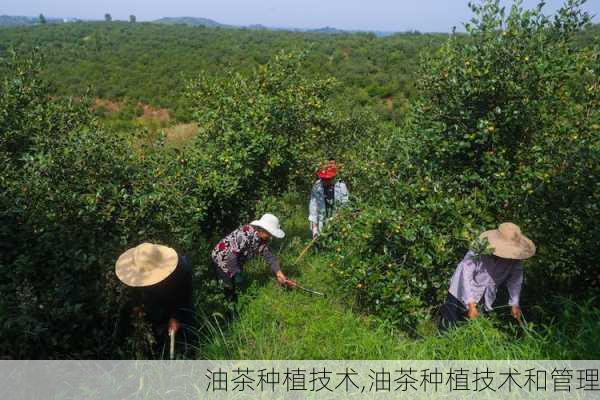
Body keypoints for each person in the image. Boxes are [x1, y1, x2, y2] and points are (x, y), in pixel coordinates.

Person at [439, 222, 536, 331]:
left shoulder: (515, 260)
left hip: (484, 297)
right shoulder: (479, 250)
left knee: (471, 331)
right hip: (460, 292)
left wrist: (514, 303)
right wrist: (470, 304)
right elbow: (464, 275)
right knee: (448, 327)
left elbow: (515, 281)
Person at [115, 242, 193, 356]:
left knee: (185, 332)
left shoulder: (182, 269)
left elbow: (185, 296)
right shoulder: (137, 269)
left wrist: (176, 317)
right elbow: (136, 290)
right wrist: (137, 306)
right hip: (153, 299)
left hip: (177, 295)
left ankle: (186, 352)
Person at [212, 213, 295, 301]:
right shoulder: (245, 234)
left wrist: (279, 273)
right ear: (263, 229)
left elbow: (268, 255)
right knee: (228, 285)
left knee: (235, 285)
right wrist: (236, 273)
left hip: (236, 259)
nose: (270, 236)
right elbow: (231, 255)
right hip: (222, 257)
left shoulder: (263, 237)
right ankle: (229, 306)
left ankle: (235, 298)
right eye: (270, 233)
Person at [308, 158, 349, 239]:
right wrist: (315, 230)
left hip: (338, 221)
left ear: (333, 177)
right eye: (323, 179)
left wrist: (336, 218)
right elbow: (313, 209)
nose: (325, 181)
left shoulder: (341, 186)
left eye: (328, 179)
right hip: (322, 222)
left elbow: (345, 205)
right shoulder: (317, 187)